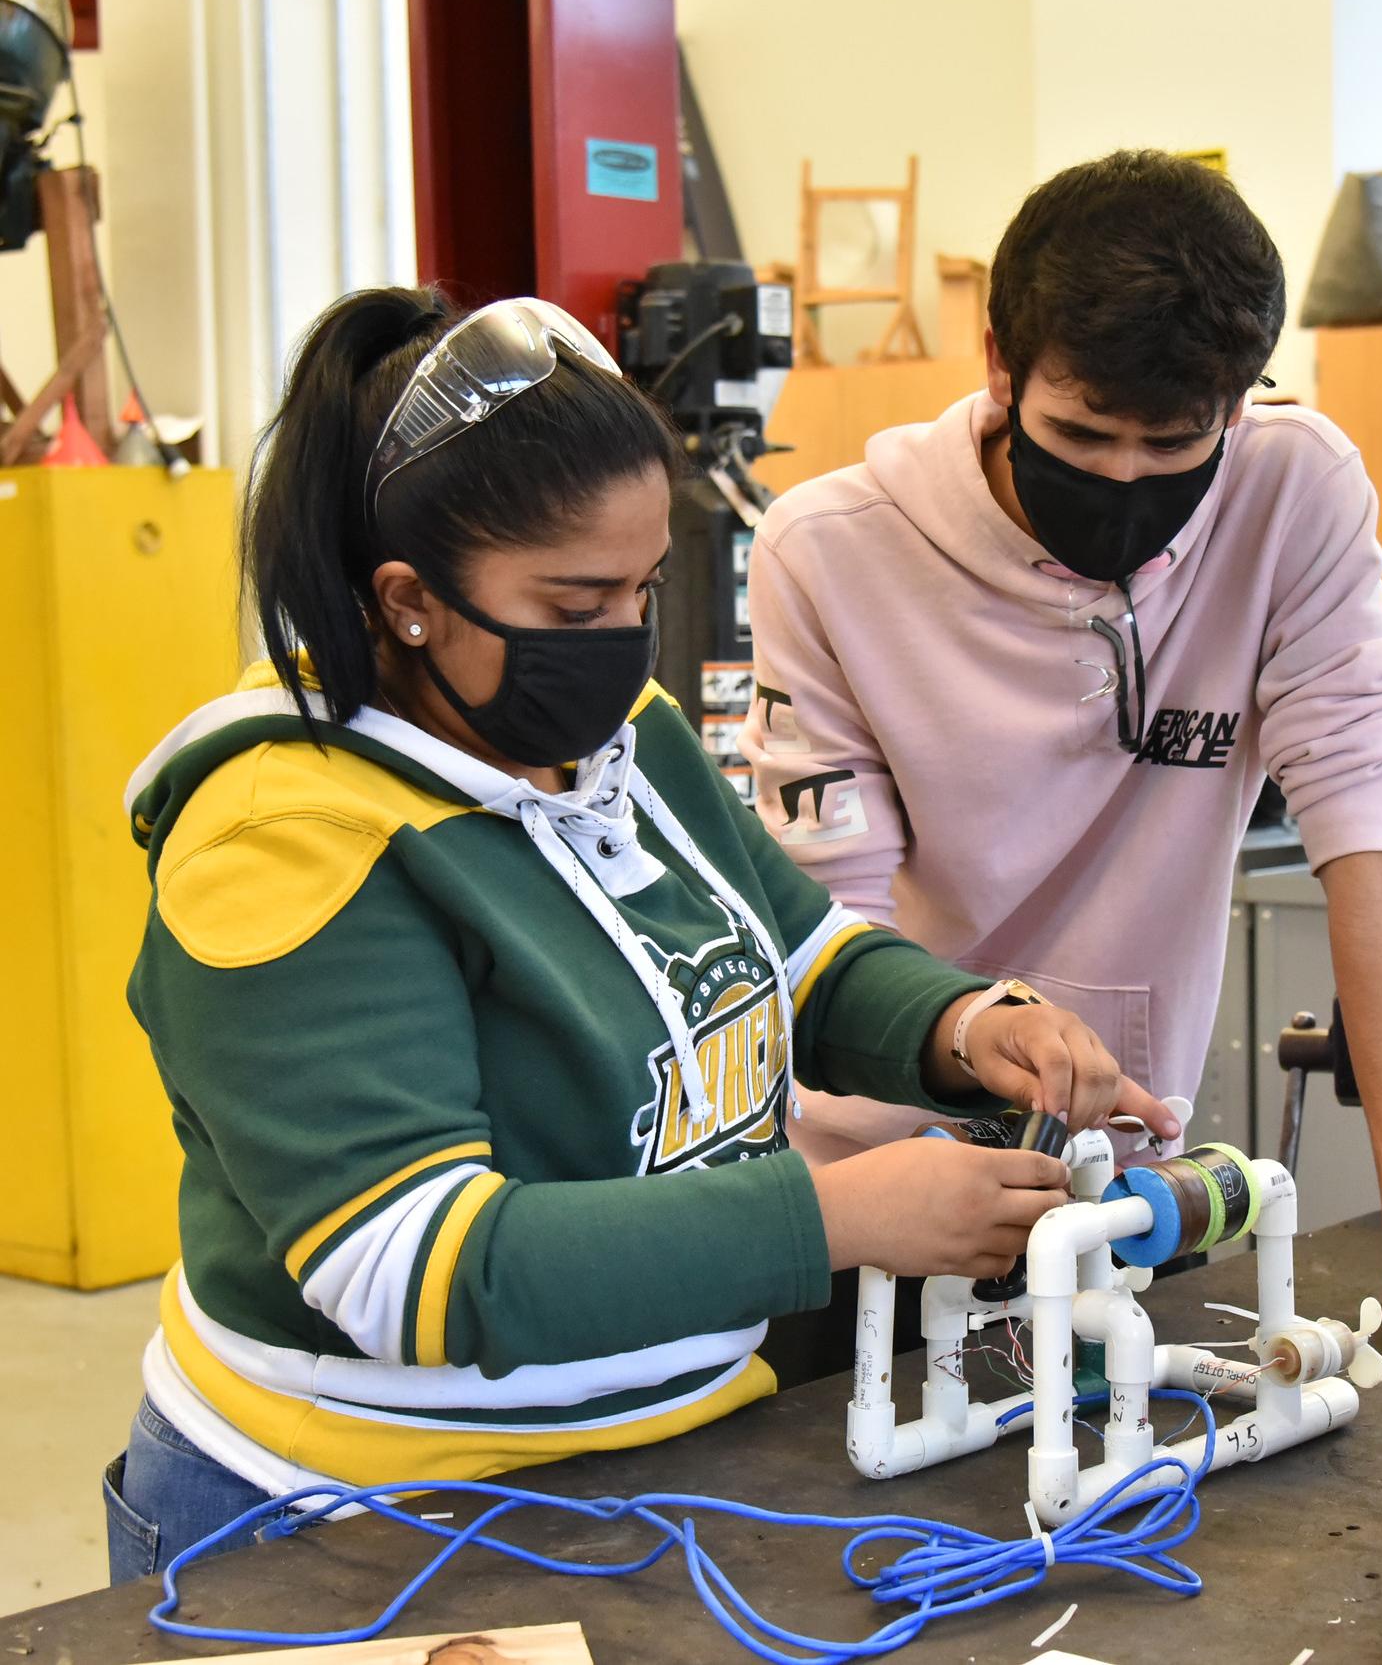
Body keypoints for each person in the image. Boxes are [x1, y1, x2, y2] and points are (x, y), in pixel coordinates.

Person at [107, 287, 1169, 1584]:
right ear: (407, 600)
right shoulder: (282, 839)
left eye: (641, 591)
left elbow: (796, 955)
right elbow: (422, 1269)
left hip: (663, 1465)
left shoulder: (613, 735)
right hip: (350, 1519)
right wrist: (829, 1218)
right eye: (570, 606)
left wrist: (965, 1027)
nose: (620, 647)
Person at [741, 149, 1382, 1380]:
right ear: (998, 361)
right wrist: (904, 1151)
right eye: (1079, 432)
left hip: (1122, 1186)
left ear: (1239, 399)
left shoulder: (1292, 495)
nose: (1119, 479)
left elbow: (1371, 864)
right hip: (877, 1189)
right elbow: (831, 921)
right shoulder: (828, 549)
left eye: (1169, 444)